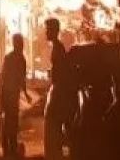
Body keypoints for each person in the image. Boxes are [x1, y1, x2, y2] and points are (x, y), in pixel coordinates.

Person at [44, 18, 77, 160]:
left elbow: (61, 72)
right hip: (57, 89)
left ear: (54, 30)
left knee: (53, 126)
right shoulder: (57, 47)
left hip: (58, 91)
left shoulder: (58, 48)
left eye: (48, 29)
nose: (46, 32)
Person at [1, 33, 32, 157]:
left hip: (9, 94)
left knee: (9, 120)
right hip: (11, 94)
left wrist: (24, 93)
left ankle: (7, 148)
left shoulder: (10, 58)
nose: (22, 45)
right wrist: (25, 93)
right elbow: (21, 79)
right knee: (12, 121)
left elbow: (6, 77)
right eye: (20, 43)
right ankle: (10, 147)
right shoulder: (20, 59)